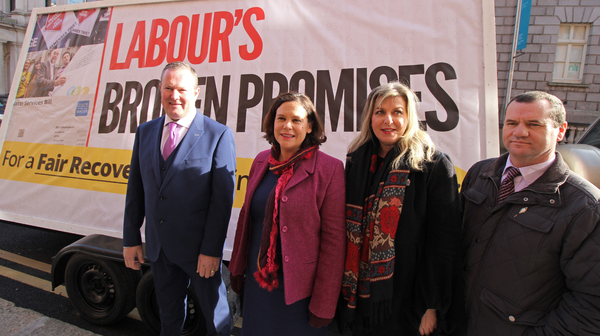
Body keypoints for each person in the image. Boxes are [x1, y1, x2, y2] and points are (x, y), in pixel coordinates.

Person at [461, 91, 600, 335]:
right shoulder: (480, 173)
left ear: (561, 130)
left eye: (533, 124)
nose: (519, 132)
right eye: (512, 123)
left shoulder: (586, 207)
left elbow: (590, 304)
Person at [340, 82, 463, 336]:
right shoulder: (356, 159)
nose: (389, 120)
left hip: (408, 299)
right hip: (358, 298)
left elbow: (443, 243)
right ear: (369, 118)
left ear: (409, 118)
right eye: (379, 112)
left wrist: (431, 306)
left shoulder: (432, 165)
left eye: (397, 112)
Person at [122, 61, 236, 336]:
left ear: (196, 92)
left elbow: (221, 203)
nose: (175, 95)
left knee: (216, 319)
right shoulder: (145, 132)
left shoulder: (217, 134)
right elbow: (136, 190)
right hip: (159, 249)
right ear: (160, 89)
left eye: (182, 89)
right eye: (169, 88)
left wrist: (211, 251)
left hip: (199, 252)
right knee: (169, 317)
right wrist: (131, 239)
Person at [228, 92, 346, 336]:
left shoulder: (329, 169)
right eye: (281, 118)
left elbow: (334, 243)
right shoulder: (261, 161)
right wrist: (237, 267)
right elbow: (246, 219)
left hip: (300, 294)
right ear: (273, 123)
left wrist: (324, 303)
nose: (288, 126)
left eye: (297, 120)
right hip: (258, 283)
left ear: (310, 125)